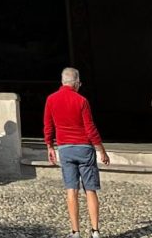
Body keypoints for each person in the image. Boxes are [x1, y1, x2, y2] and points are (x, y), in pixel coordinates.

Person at [44, 67, 110, 238]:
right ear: (76, 83)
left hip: (65, 148)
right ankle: (95, 231)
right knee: (90, 190)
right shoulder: (82, 100)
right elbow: (90, 128)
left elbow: (48, 125)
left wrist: (49, 146)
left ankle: (75, 232)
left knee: (71, 190)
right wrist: (101, 150)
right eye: (79, 83)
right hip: (84, 148)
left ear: (62, 82)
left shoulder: (51, 99)